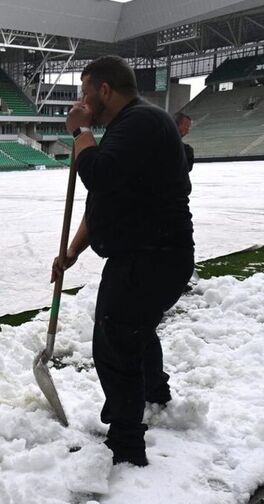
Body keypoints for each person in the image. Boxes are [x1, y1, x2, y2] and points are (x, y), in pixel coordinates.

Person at [52, 55, 194, 467]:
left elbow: (98, 174)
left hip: (151, 258)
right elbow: (103, 202)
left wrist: (79, 131)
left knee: (115, 344)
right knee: (136, 331)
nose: (81, 102)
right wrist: (73, 250)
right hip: (152, 257)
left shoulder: (141, 122)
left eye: (84, 93)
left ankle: (127, 443)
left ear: (105, 90)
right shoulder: (128, 127)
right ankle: (155, 395)